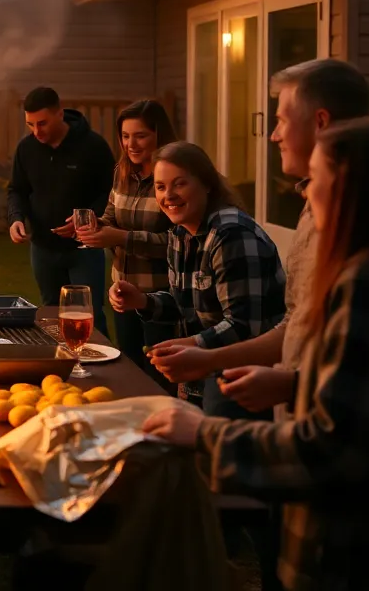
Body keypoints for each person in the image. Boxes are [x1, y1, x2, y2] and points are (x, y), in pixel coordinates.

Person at [143, 119, 369, 590]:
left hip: (357, 550)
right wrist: (293, 383)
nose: (303, 195)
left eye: (313, 179)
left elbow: (329, 448)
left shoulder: (368, 284)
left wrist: (203, 432)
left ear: (349, 188)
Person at [147, 60, 369, 416]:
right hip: (291, 410)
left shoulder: (363, 227)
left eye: (281, 120)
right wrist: (289, 384)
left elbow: (367, 383)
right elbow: (297, 322)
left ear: (321, 123)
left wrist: (208, 359)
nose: (272, 135)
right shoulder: (314, 206)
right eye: (161, 186)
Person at [109, 141, 286, 418]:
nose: (169, 196)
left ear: (206, 184)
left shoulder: (231, 235)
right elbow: (185, 303)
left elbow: (243, 326)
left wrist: (192, 346)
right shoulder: (180, 233)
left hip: (246, 380)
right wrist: (142, 300)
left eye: (179, 184)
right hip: (204, 376)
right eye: (160, 187)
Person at [76, 99, 177, 378]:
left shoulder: (172, 180)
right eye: (125, 136)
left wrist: (119, 236)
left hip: (162, 296)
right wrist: (96, 227)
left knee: (161, 375)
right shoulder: (122, 173)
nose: (131, 144)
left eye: (140, 135)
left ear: (160, 135)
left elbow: (177, 243)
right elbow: (111, 216)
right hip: (121, 292)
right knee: (130, 369)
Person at [6, 87, 115, 336]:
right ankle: (60, 369)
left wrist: (88, 218)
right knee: (52, 316)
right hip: (43, 247)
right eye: (30, 124)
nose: (37, 131)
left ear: (60, 114)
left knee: (89, 316)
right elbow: (17, 190)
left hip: (84, 247)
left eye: (42, 123)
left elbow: (110, 191)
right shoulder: (27, 149)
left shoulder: (92, 146)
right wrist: (15, 219)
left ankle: (99, 369)